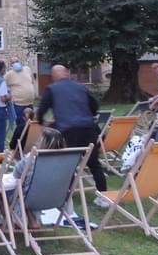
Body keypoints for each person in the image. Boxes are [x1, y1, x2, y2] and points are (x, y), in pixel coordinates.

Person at [36, 65, 108, 207]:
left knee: (68, 164)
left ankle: (65, 196)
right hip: (88, 128)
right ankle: (104, 196)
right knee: (94, 163)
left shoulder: (52, 89)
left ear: (54, 76)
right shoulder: (81, 87)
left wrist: (42, 122)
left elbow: (42, 110)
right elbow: (94, 105)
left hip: (68, 130)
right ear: (67, 74)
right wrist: (88, 115)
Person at [5, 57, 36, 153]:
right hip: (18, 104)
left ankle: (30, 144)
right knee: (21, 126)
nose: (16, 63)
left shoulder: (27, 69)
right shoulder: (9, 74)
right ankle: (21, 147)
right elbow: (3, 85)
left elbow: (32, 81)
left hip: (29, 103)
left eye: (17, 61)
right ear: (11, 65)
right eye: (13, 62)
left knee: (32, 125)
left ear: (20, 62)